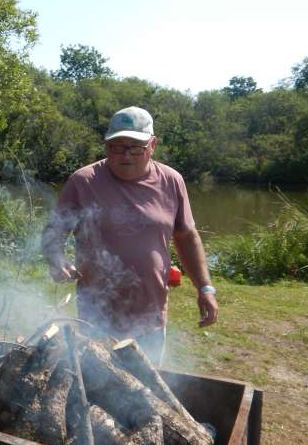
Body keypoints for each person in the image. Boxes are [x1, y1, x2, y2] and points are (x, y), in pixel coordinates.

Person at [41, 106, 218, 365]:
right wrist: (56, 259)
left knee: (146, 391)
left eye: (135, 147)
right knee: (95, 389)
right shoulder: (84, 181)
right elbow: (53, 231)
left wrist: (205, 288)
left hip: (150, 315)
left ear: (152, 145)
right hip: (97, 315)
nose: (125, 155)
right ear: (106, 145)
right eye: (117, 146)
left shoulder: (171, 181)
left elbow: (187, 237)